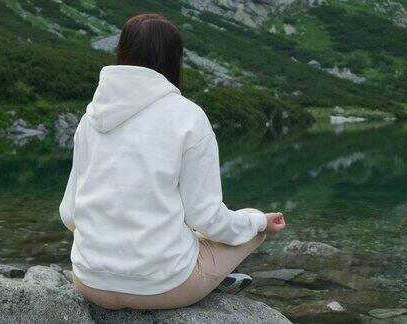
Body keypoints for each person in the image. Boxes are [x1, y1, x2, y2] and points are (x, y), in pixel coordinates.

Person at [59, 13, 286, 310]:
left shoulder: (90, 119)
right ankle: (213, 278)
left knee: (187, 229)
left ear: (122, 51)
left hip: (90, 283)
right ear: (173, 58)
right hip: (163, 288)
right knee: (252, 224)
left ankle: (208, 275)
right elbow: (207, 217)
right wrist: (257, 222)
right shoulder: (188, 116)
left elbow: (69, 213)